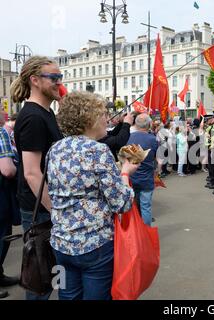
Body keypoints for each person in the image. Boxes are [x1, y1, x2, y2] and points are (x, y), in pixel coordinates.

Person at [47, 91, 138, 300]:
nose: (106, 119)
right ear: (89, 118)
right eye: (102, 114)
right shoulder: (98, 150)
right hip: (94, 244)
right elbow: (122, 203)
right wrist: (125, 172)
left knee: (68, 296)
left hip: (61, 242)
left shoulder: (55, 149)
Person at [10, 56, 64, 300]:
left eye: (60, 77)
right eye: (54, 78)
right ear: (35, 80)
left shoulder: (45, 112)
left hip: (43, 204)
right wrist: (55, 210)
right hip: (39, 207)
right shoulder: (33, 117)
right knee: (40, 277)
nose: (59, 82)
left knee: (47, 276)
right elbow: (32, 173)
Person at [0, 111, 19, 299]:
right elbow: (7, 170)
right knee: (2, 235)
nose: (4, 112)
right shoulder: (1, 133)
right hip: (1, 194)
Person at [128, 114, 159, 226]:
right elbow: (157, 158)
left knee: (134, 207)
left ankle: (137, 232)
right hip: (146, 177)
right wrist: (157, 171)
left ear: (136, 124)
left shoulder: (129, 137)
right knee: (146, 207)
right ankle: (146, 232)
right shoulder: (152, 139)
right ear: (149, 124)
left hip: (132, 176)